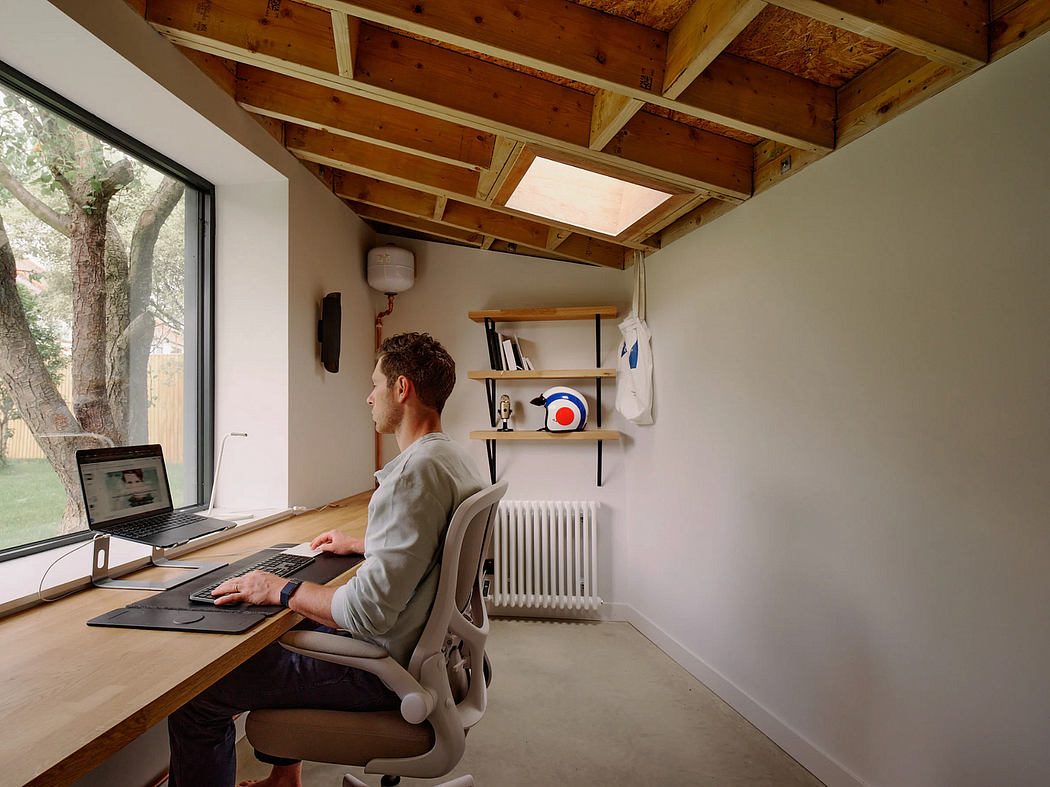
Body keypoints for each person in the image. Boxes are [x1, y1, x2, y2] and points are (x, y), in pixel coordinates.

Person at [167, 332, 483, 787]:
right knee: (295, 620)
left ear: (402, 388)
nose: (368, 396)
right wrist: (365, 545)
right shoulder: (452, 459)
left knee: (197, 697)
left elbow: (366, 612)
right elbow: (433, 552)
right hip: (430, 651)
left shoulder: (414, 474)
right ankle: (285, 780)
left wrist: (278, 587)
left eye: (376, 384)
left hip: (383, 667)